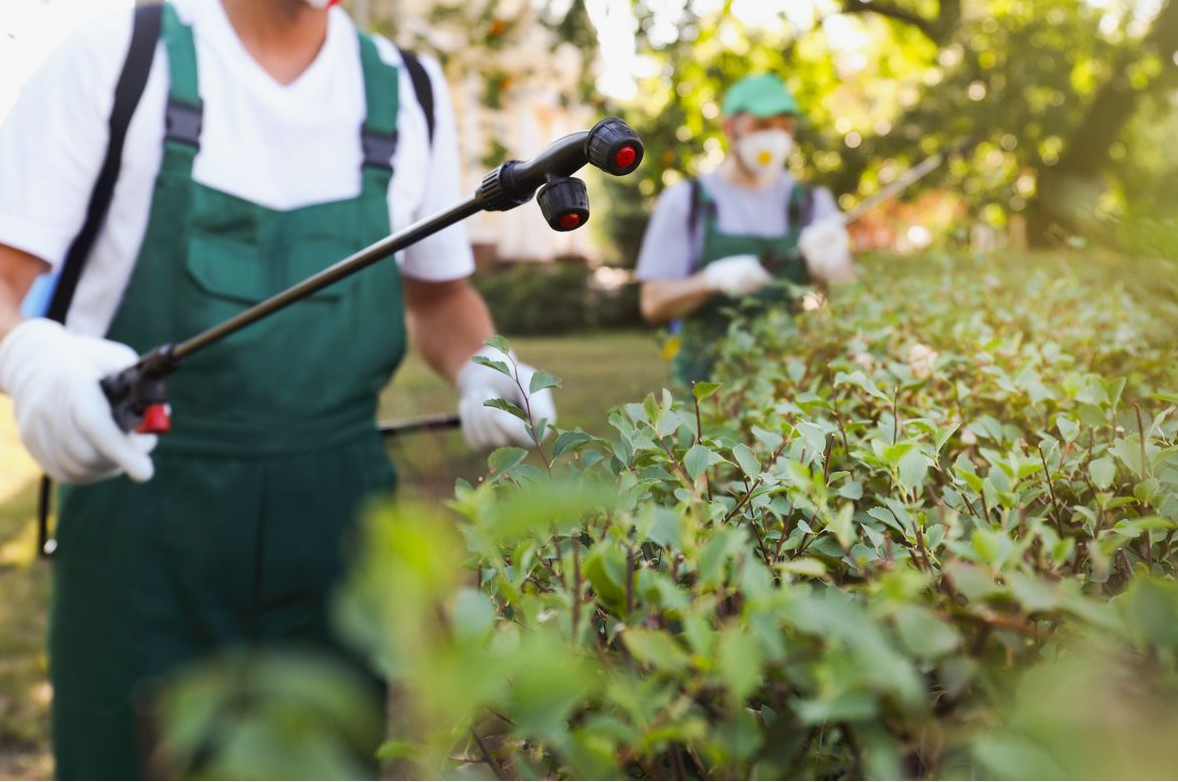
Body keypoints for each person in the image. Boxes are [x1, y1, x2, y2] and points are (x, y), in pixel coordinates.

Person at [0, 0, 555, 776]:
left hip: (335, 523)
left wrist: (484, 366)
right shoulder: (121, 58)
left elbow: (439, 297)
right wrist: (30, 356)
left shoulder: (407, 90)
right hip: (144, 511)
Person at [635, 72, 855, 385]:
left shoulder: (811, 203)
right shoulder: (687, 202)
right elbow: (653, 304)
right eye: (763, 126)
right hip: (709, 390)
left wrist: (833, 266)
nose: (776, 137)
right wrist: (712, 280)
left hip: (792, 386)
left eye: (785, 127)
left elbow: (848, 303)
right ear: (730, 128)